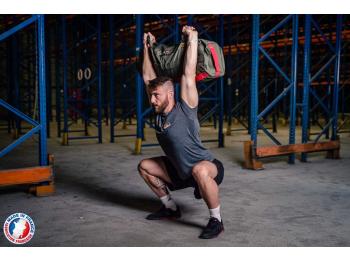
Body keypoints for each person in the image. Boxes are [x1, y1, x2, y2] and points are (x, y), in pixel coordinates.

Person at [138, 25, 224, 239]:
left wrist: (192, 38)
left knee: (200, 172)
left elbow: (187, 73)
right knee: (145, 167)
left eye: (156, 95)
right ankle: (171, 208)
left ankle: (217, 220)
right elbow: (148, 77)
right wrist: (147, 46)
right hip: (180, 171)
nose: (152, 100)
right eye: (151, 96)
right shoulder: (157, 111)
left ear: (170, 93)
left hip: (206, 166)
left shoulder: (185, 108)